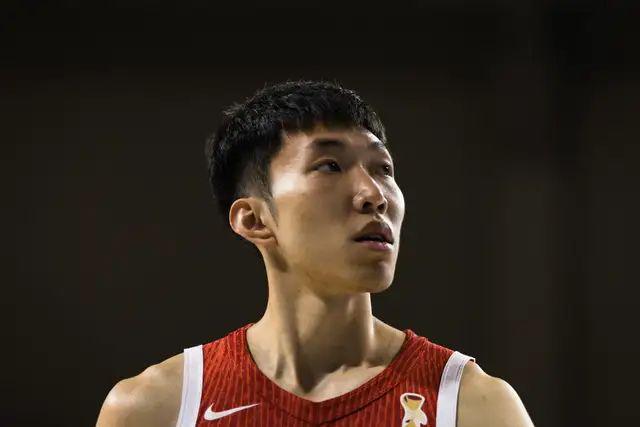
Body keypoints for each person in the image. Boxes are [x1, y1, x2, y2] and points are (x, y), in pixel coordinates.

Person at [96, 80, 534, 426]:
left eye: (383, 169)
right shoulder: (156, 410)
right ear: (254, 219)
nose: (374, 195)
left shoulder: (474, 407)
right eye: (329, 166)